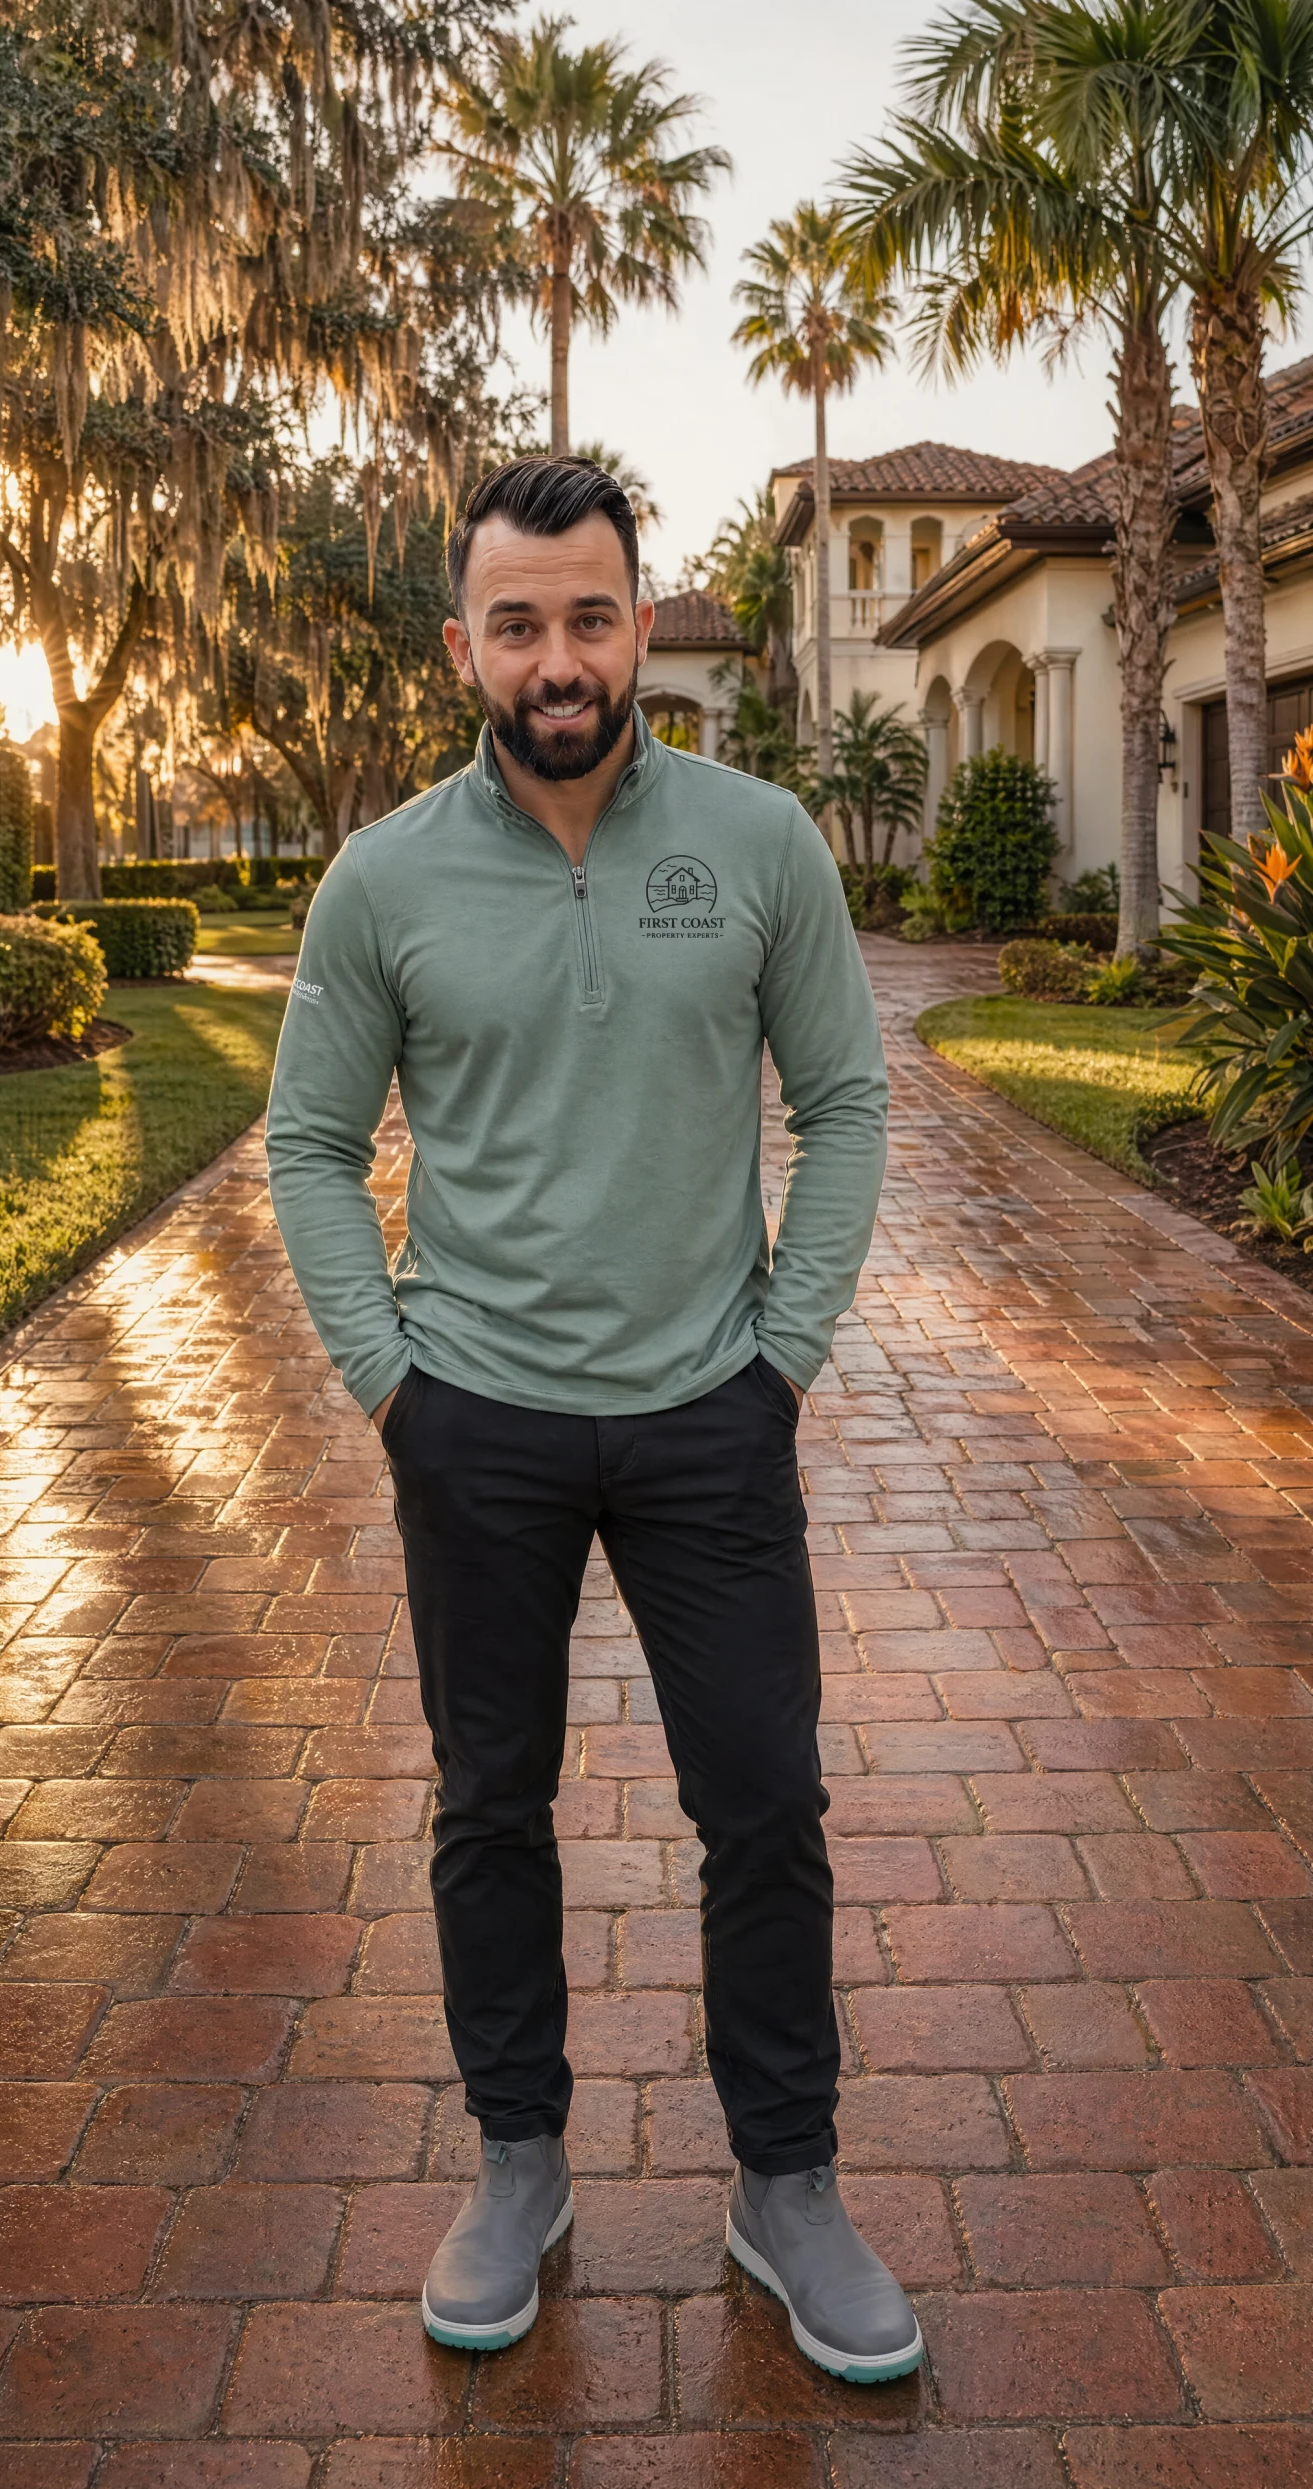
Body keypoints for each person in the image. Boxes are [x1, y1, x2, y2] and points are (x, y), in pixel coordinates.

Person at [265, 455, 920, 2383]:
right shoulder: (385, 875)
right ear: (465, 642)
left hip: (711, 1414)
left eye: (592, 613)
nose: (560, 655)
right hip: (478, 1421)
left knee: (766, 1806)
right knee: (491, 1806)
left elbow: (851, 1101)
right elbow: (306, 1143)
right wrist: (392, 1382)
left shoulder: (764, 841)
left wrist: (782, 1356)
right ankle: (520, 2164)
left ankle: (784, 2186)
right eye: (519, 621)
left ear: (644, 621)